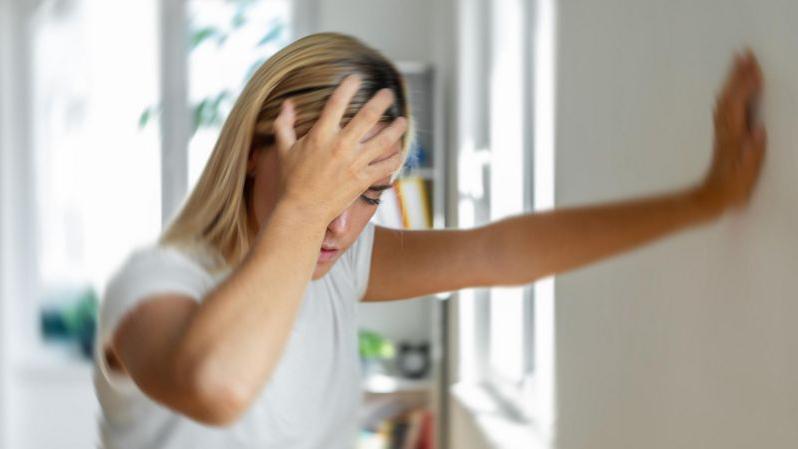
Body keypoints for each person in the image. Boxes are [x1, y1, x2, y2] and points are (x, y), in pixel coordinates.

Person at [94, 32, 765, 449]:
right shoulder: (154, 285)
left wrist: (707, 198)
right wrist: (302, 206)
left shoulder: (335, 264)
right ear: (252, 151)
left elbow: (500, 252)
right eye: (320, 183)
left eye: (367, 196)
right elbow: (219, 384)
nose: (338, 224)